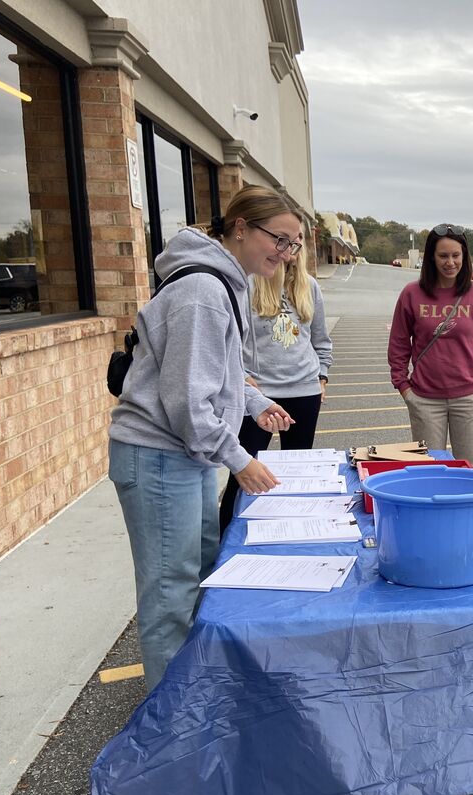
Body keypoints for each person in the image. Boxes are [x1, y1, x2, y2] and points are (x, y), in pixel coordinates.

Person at [108, 185, 300, 691]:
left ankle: (190, 692)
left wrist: (255, 403)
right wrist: (240, 460)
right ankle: (169, 716)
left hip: (182, 455)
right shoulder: (204, 293)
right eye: (279, 240)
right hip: (158, 456)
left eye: (293, 244)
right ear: (241, 228)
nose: (285, 253)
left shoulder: (226, 283)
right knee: (171, 594)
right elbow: (188, 402)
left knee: (196, 576)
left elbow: (219, 372)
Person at [217, 236, 333, 531]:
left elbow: (321, 339)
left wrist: (322, 376)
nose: (293, 247)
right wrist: (242, 377)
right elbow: (231, 341)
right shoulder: (250, 284)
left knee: (297, 475)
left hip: (304, 391)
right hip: (259, 395)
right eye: (286, 240)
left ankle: (289, 532)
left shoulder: (309, 286)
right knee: (243, 476)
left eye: (298, 240)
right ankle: (227, 540)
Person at [388, 224, 473, 468]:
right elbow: (398, 344)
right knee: (429, 471)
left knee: (469, 470)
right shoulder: (412, 294)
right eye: (443, 256)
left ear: (464, 256)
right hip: (424, 399)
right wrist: (404, 387)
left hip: (469, 399)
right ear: (431, 257)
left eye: (455, 255)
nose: (450, 262)